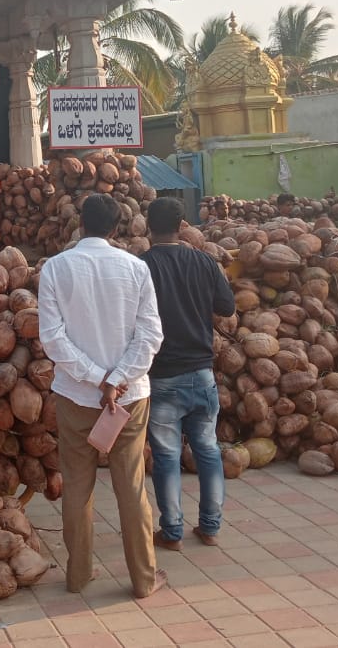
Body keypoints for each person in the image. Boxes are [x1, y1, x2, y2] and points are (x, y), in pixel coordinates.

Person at [37, 193, 167, 599]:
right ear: (115, 229)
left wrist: (97, 379)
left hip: (76, 397)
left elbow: (52, 339)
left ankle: (78, 576)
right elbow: (150, 335)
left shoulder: (56, 268)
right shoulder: (136, 268)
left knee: (77, 487)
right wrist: (117, 378)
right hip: (129, 398)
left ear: (81, 225)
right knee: (132, 488)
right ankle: (144, 579)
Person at [141, 198, 237, 550]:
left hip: (163, 375)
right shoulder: (204, 261)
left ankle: (172, 532)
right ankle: (210, 528)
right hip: (201, 373)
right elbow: (226, 307)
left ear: (148, 225)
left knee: (166, 456)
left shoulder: (143, 266)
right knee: (208, 450)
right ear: (182, 226)